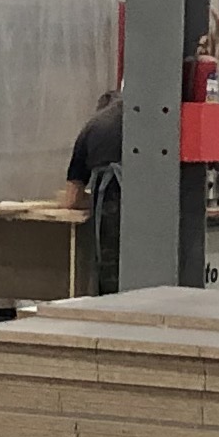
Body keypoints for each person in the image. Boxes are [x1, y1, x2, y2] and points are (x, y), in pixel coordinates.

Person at [60, 85, 125, 292]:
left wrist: (93, 199)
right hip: (142, 199)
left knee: (111, 274)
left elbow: (72, 199)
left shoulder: (91, 127)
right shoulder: (139, 115)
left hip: (110, 198)